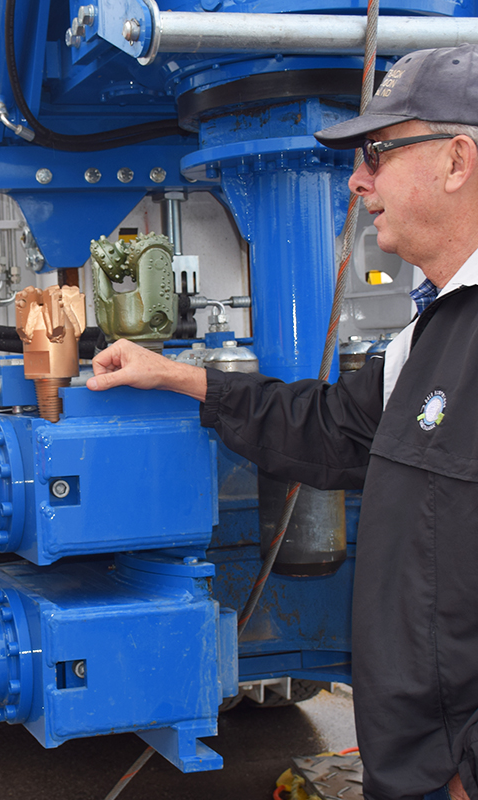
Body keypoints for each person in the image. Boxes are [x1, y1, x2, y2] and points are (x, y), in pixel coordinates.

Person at [88, 43, 478, 800]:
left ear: (457, 160)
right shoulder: (430, 334)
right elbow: (329, 428)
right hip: (414, 764)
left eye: (378, 152)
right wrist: (182, 378)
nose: (358, 179)